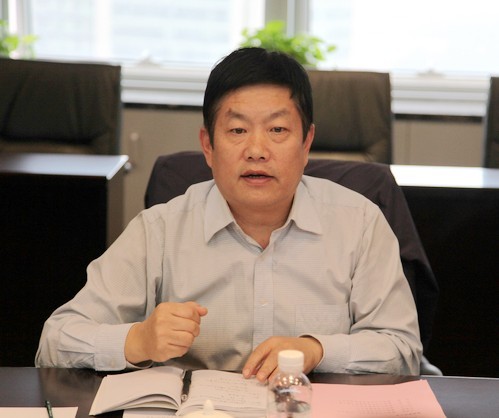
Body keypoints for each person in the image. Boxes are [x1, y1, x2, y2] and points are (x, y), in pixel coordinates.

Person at [36, 47, 422, 379]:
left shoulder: (360, 223)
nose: (256, 150)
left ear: (306, 143)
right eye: (237, 131)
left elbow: (403, 350)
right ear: (208, 145)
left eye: (277, 130)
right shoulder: (160, 230)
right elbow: (55, 341)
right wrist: (136, 340)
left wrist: (316, 350)